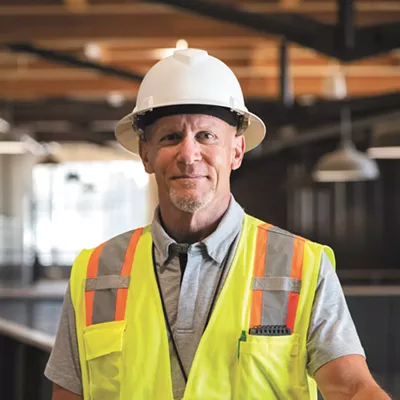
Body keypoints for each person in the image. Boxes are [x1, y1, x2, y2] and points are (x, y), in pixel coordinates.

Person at [45, 48, 389, 400]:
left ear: (236, 152)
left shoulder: (301, 266)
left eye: (206, 136)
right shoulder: (95, 273)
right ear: (146, 154)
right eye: (170, 137)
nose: (188, 154)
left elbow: (352, 389)